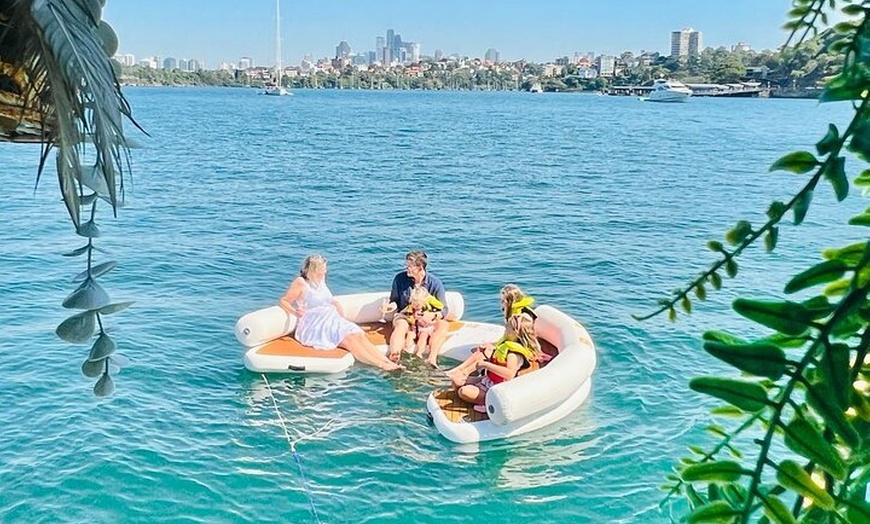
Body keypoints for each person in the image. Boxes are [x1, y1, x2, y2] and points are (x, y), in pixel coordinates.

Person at [280, 254, 403, 372]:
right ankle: (380, 364)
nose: (325, 271)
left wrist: (338, 310)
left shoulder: (320, 280)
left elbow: (327, 300)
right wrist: (295, 312)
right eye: (323, 269)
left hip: (331, 318)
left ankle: (387, 361)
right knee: (349, 340)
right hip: (315, 323)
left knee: (358, 335)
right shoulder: (301, 282)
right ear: (314, 269)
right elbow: (284, 301)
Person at [447, 284, 543, 408]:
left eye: (503, 300)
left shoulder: (514, 352)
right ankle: (462, 373)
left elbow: (509, 374)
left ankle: (484, 401)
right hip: (488, 380)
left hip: (496, 389)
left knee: (464, 391)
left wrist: (487, 364)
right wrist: (492, 347)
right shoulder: (512, 328)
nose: (501, 303)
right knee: (457, 381)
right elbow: (504, 340)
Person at [384, 250, 449, 367]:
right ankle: (395, 357)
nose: (406, 268)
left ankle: (432, 359)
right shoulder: (399, 279)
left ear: (420, 268)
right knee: (400, 325)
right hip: (406, 316)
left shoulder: (435, 283)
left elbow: (444, 309)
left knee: (443, 325)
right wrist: (389, 307)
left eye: (410, 266)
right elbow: (394, 301)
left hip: (426, 321)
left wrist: (432, 316)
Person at [397, 286, 445, 358]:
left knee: (423, 337)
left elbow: (441, 306)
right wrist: (407, 317)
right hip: (414, 327)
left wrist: (430, 298)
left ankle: (419, 353)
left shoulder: (427, 303)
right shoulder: (410, 307)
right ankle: (406, 351)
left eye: (418, 304)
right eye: (414, 303)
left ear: (424, 301)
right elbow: (403, 313)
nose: (416, 306)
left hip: (424, 327)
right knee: (410, 335)